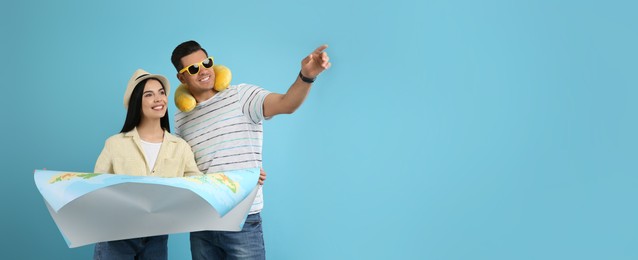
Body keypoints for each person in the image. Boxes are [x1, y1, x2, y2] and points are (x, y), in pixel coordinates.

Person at [170, 40, 331, 259]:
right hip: (203, 221)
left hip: (242, 218)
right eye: (193, 69)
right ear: (182, 78)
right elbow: (182, 167)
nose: (203, 71)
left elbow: (286, 103)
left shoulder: (241, 96)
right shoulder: (181, 118)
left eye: (206, 63)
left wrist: (307, 76)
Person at [93, 69, 202, 260]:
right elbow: (95, 188)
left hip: (157, 237)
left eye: (161, 92)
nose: (159, 99)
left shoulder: (180, 147)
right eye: (149, 95)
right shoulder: (115, 144)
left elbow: (199, 187)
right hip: (116, 235)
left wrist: (246, 178)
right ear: (137, 102)